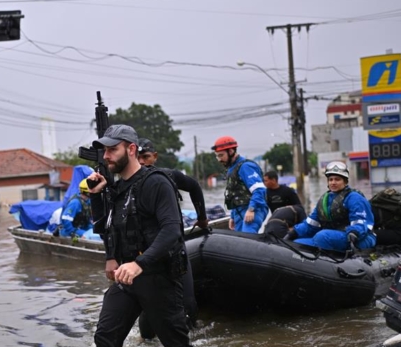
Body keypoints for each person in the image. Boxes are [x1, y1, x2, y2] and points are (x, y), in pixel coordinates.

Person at [87, 125, 192, 347]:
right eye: (104, 151)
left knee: (175, 342)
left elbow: (172, 231)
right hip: (126, 279)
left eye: (112, 150)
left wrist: (139, 264)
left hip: (159, 278)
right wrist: (96, 197)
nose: (106, 156)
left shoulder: (156, 182)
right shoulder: (117, 188)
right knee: (105, 338)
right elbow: (106, 227)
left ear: (131, 149)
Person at [136, 137, 203, 339]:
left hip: (174, 251)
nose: (141, 163)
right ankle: (147, 340)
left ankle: (193, 338)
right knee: (148, 310)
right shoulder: (128, 184)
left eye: (146, 157)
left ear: (154, 157)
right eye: (138, 157)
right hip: (145, 255)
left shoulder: (166, 177)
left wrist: (203, 218)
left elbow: (194, 186)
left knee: (189, 303)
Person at [286, 161, 376, 252]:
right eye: (331, 179)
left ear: (345, 181)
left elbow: (361, 223)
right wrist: (294, 232)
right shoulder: (324, 200)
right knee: (297, 242)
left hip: (358, 238)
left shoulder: (354, 198)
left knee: (322, 236)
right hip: (333, 236)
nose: (333, 182)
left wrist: (354, 232)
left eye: (337, 179)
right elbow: (311, 224)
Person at [212, 136, 268, 233]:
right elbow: (235, 194)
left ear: (231, 152)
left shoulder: (245, 167)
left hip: (252, 210)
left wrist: (251, 209)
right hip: (239, 211)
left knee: (248, 243)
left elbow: (259, 190)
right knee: (239, 242)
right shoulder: (232, 168)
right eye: (217, 156)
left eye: (221, 155)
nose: (219, 159)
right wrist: (233, 216)